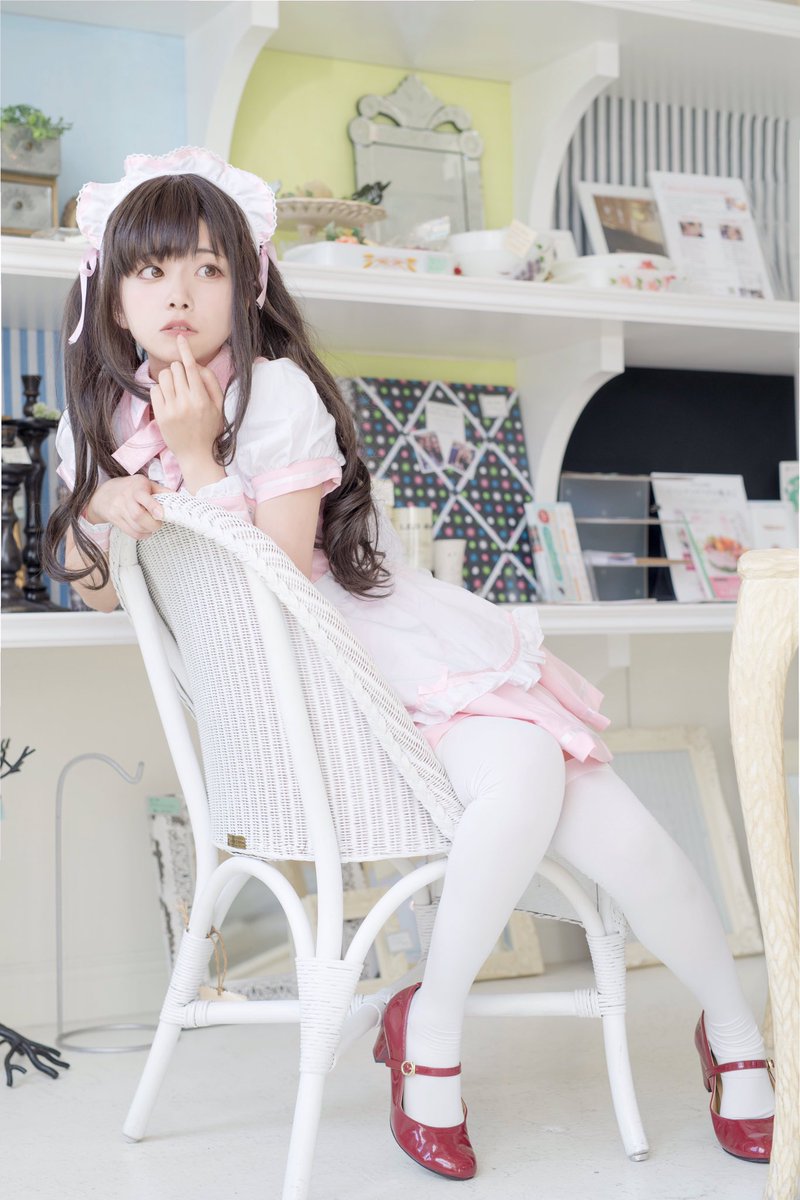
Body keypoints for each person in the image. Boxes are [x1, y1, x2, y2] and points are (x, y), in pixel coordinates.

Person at [43, 148, 774, 1181]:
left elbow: (284, 591)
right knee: (549, 778)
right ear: (110, 297)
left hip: (378, 664)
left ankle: (702, 1031)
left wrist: (199, 461)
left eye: (208, 268)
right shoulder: (98, 431)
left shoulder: (275, 394)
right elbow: (102, 592)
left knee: (607, 823)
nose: (179, 293)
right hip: (308, 727)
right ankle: (443, 1030)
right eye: (152, 269)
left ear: (245, 288)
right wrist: (99, 509)